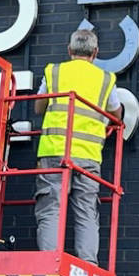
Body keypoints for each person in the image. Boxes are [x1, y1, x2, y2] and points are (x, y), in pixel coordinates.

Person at [35, 27, 119, 262]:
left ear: (69, 50)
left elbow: (38, 106)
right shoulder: (106, 79)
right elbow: (116, 113)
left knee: (51, 207)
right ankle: (88, 263)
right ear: (95, 52)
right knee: (86, 210)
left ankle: (49, 261)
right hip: (89, 155)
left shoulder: (54, 72)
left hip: (54, 150)